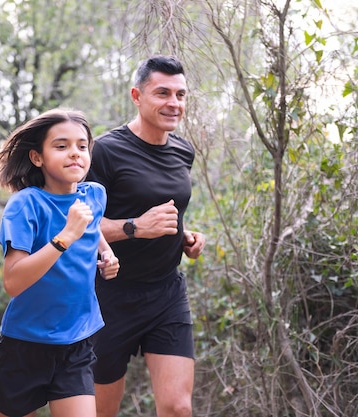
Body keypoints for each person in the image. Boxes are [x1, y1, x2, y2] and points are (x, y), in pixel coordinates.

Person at [86, 55, 206, 417]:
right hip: (109, 296)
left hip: (166, 293)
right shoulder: (105, 151)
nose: (174, 103)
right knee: (101, 411)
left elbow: (169, 212)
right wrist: (136, 227)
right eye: (163, 93)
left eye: (181, 95)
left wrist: (185, 236)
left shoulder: (184, 151)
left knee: (177, 407)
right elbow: (80, 228)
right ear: (137, 96)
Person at [0, 108, 120, 417]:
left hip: (77, 341)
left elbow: (93, 223)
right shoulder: (25, 205)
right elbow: (13, 282)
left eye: (82, 146)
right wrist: (65, 238)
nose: (74, 154)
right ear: (37, 157)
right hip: (25, 344)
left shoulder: (95, 195)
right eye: (61, 146)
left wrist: (106, 252)